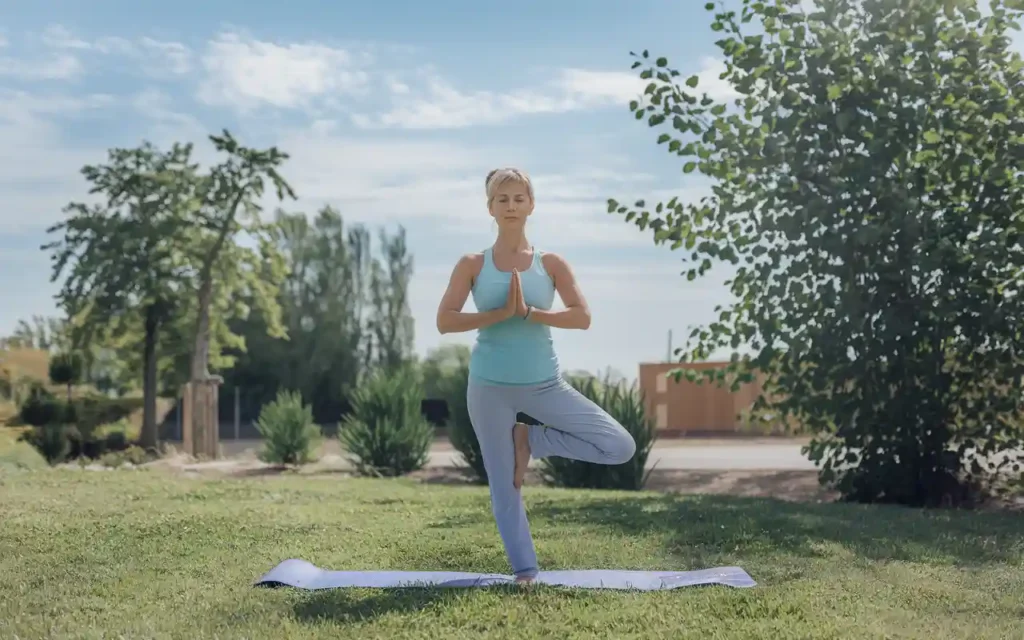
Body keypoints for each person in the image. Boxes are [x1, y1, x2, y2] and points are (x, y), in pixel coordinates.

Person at [435, 167, 637, 584]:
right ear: (489, 207)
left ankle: (533, 440)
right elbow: (445, 321)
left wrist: (529, 313)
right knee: (505, 484)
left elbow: (581, 317)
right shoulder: (472, 264)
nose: (511, 206)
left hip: (545, 384)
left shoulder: (551, 263)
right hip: (489, 389)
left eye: (519, 198)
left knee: (619, 445)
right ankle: (525, 570)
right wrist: (499, 315)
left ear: (531, 204)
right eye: (502, 199)